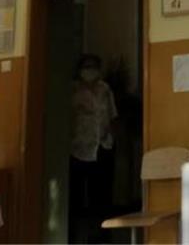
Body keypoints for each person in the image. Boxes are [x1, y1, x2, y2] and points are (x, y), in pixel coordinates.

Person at [69, 53, 118, 244]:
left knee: (102, 196)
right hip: (78, 149)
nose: (90, 71)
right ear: (80, 70)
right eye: (87, 67)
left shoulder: (105, 89)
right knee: (78, 198)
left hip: (103, 147)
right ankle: (75, 235)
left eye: (94, 67)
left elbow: (112, 116)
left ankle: (101, 236)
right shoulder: (72, 90)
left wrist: (113, 141)